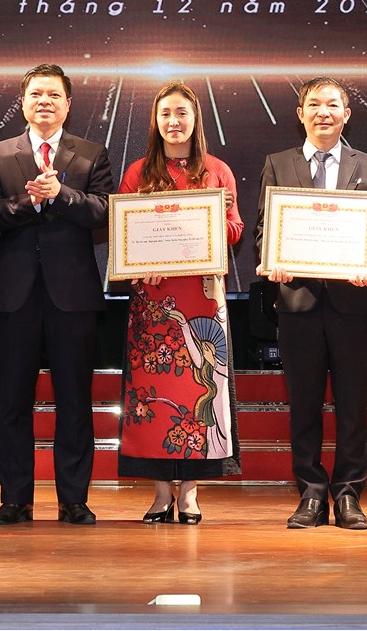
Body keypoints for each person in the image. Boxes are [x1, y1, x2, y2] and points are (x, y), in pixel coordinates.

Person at [0, 64, 116, 526]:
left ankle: (73, 498)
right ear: (23, 102)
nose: (45, 102)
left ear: (68, 104)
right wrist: (29, 201)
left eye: (54, 95)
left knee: (74, 401)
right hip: (14, 296)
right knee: (13, 402)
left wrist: (61, 195)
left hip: (72, 297)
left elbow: (104, 211)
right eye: (36, 94)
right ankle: (14, 498)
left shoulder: (91, 154)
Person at [257, 77, 367, 531]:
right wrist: (272, 260)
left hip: (353, 304)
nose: (323, 113)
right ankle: (312, 493)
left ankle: (349, 493)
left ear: (346, 114)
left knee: (353, 405)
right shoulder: (278, 164)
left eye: (332, 105)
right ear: (300, 114)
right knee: (304, 405)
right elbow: (264, 230)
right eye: (314, 105)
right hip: (298, 303)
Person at [118, 81, 244, 524]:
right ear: (156, 121)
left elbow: (234, 231)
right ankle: (159, 494)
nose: (174, 122)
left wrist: (216, 216)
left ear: (195, 119)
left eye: (182, 113)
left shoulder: (217, 171)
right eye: (166, 113)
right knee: (154, 396)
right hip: (153, 302)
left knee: (199, 388)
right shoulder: (138, 172)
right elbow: (125, 233)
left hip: (202, 300)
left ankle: (189, 494)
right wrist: (142, 263)